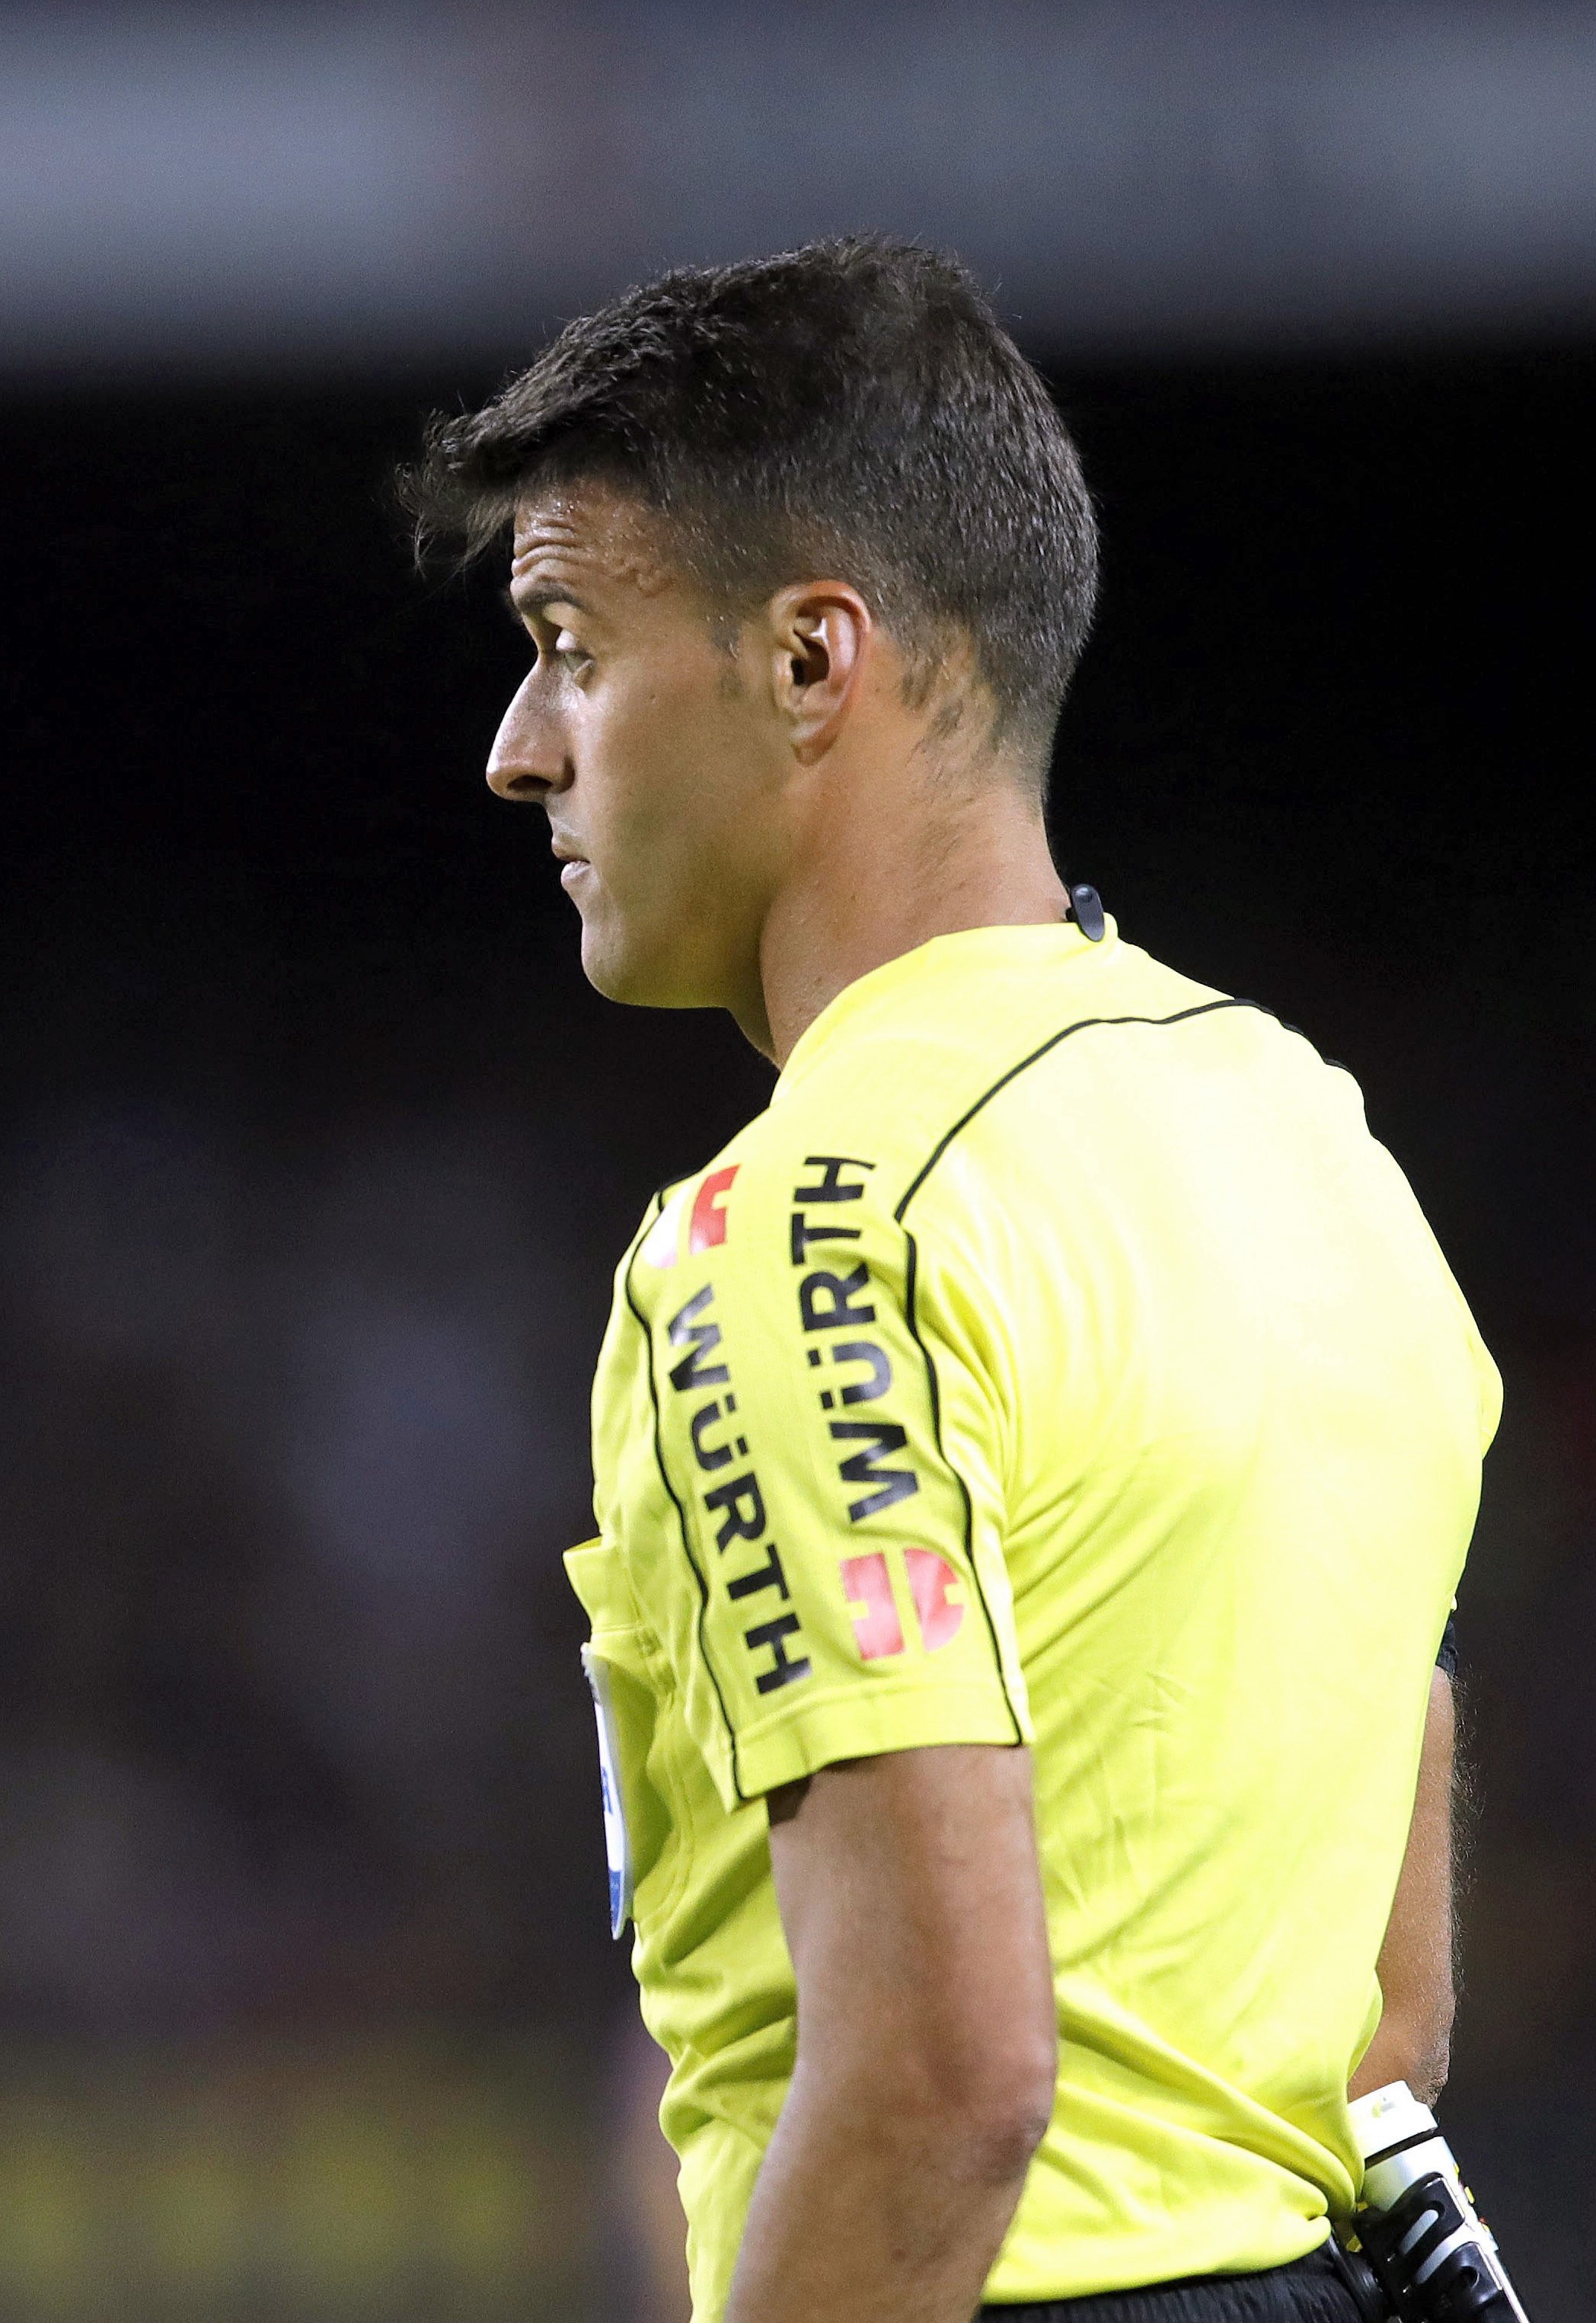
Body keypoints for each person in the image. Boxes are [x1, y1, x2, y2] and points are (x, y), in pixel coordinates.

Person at [403, 240, 1495, 2321]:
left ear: (811, 661)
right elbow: (1383, 2017)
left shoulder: (797, 1227)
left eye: (568, 646)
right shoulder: (1312, 1138)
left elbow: (936, 2087)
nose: (518, 749)